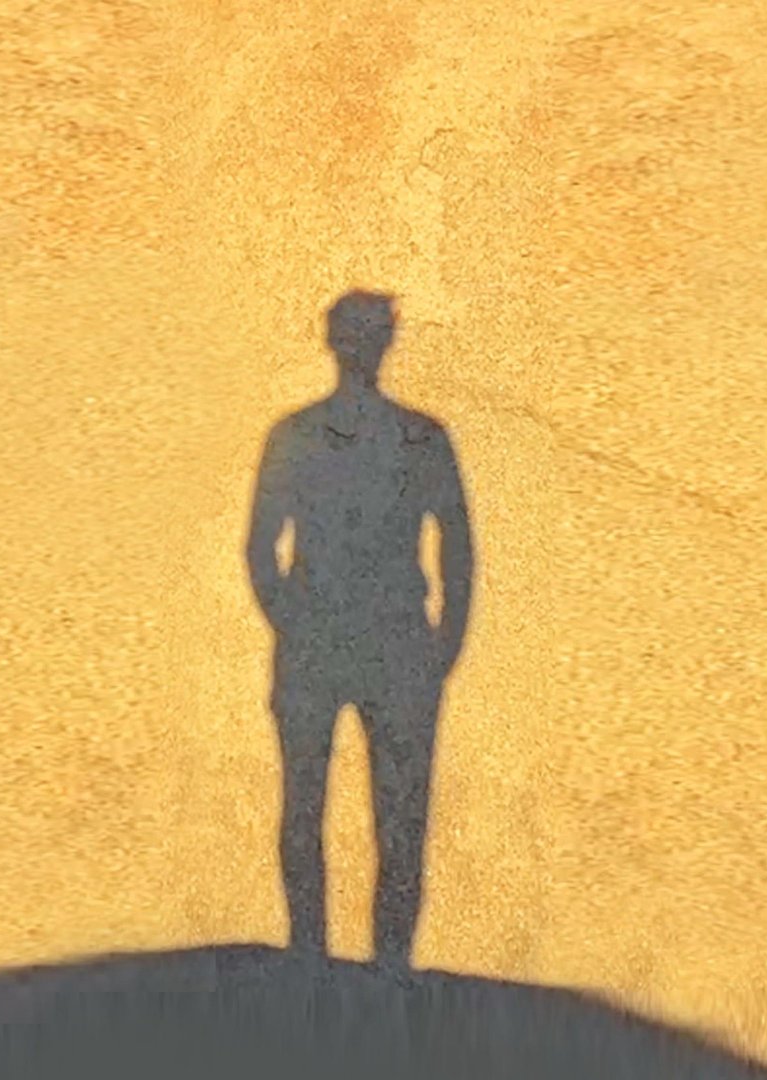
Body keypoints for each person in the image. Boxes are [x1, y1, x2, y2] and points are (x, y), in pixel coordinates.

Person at [244, 290, 475, 971]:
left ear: (385, 342)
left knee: (401, 818)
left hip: (396, 644)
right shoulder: (295, 436)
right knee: (305, 806)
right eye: (357, 333)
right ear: (336, 341)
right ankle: (310, 957)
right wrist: (295, 622)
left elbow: (457, 544)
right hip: (326, 641)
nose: (365, 346)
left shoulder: (422, 437)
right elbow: (261, 548)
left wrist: (445, 646)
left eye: (374, 333)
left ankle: (390, 970)